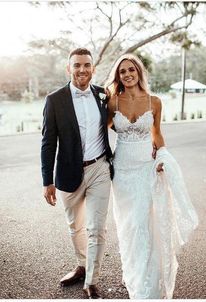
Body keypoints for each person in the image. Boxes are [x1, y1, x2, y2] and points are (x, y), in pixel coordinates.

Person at [105, 53, 198, 299]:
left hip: (147, 168)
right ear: (118, 76)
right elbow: (100, 133)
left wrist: (162, 158)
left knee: (145, 224)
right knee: (130, 227)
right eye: (122, 71)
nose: (127, 74)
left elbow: (157, 135)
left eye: (131, 70)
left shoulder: (154, 102)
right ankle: (134, 273)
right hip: (122, 173)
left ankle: (148, 284)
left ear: (139, 72)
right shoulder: (112, 102)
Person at [41, 47, 113, 299]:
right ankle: (82, 264)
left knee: (97, 228)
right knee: (76, 226)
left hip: (100, 168)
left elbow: (125, 122)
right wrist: (46, 180)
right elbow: (48, 142)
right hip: (68, 171)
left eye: (86, 65)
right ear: (68, 68)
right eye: (77, 65)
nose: (82, 69)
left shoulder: (104, 95)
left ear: (93, 68)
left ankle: (91, 280)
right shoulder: (54, 99)